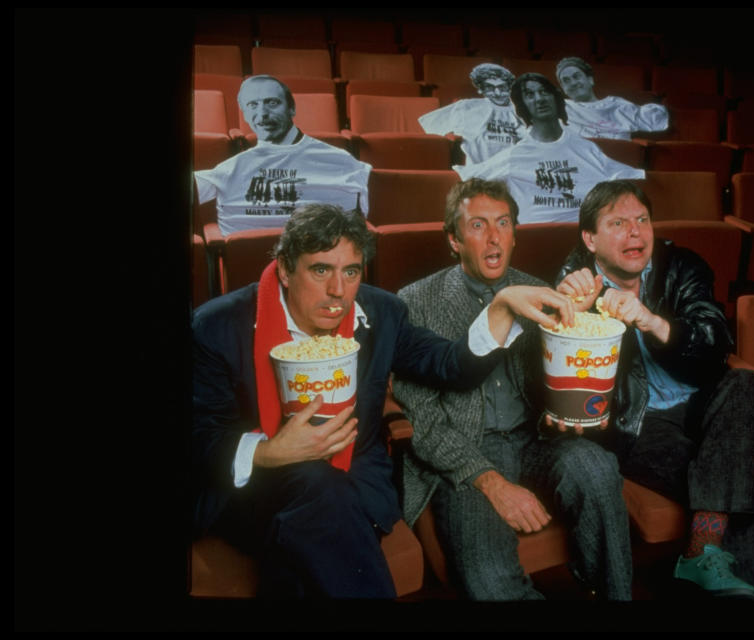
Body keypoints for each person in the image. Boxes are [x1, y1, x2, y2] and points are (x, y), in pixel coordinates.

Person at [192, 203, 576, 599]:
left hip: (353, 483)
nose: (338, 291)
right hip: (253, 491)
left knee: (318, 515)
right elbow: (200, 436)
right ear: (286, 270)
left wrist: (502, 307)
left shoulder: (383, 313)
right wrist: (270, 452)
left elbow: (451, 366)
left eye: (351, 272)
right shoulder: (217, 326)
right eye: (320, 269)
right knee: (317, 490)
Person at [391, 179, 633, 600]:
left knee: (596, 468)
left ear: (515, 234)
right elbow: (423, 422)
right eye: (477, 225)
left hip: (536, 440)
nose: (493, 236)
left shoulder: (539, 288)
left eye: (503, 223)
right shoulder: (415, 301)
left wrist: (569, 409)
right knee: (490, 584)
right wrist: (491, 482)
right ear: (454, 239)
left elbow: (569, 375)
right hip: (467, 455)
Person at [553, 180, 754, 600]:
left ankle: (699, 553)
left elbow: (715, 344)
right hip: (636, 422)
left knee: (750, 381)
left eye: (642, 220)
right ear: (590, 238)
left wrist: (652, 321)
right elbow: (568, 386)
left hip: (701, 404)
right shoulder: (574, 285)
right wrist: (578, 319)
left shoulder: (683, 266)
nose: (636, 233)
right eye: (618, 223)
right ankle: (704, 563)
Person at [194, 75, 372, 237]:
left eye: (272, 103)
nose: (262, 114)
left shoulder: (341, 161)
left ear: (292, 109)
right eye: (252, 105)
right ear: (246, 115)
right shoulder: (230, 168)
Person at [454, 73, 644, 224]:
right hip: (534, 242)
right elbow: (466, 179)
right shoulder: (513, 156)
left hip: (585, 242)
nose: (539, 99)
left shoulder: (587, 149)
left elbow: (631, 177)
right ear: (523, 106)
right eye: (530, 95)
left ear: (556, 98)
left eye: (545, 92)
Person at [418, 63, 525, 165]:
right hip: (480, 178)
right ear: (481, 89)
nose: (497, 93)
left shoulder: (528, 110)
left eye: (502, 87)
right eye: (490, 88)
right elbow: (430, 128)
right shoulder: (466, 107)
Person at [555, 57, 670, 140]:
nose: (573, 83)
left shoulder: (617, 105)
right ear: (563, 89)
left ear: (590, 80)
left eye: (576, 76)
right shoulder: (559, 108)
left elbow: (655, 120)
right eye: (566, 81)